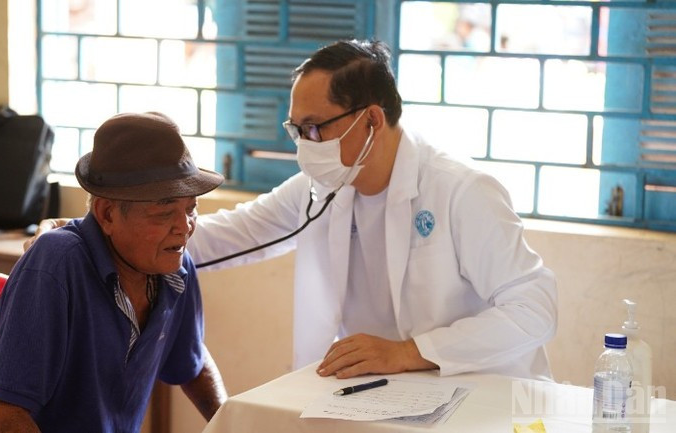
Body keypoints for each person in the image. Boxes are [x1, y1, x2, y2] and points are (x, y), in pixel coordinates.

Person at [29, 39, 558, 382]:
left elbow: (534, 309)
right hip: (391, 397)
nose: (304, 144)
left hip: (481, 393)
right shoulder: (324, 184)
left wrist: (411, 351)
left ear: (371, 120)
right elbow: (229, 235)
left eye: (314, 128)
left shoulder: (462, 190)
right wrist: (89, 234)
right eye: (295, 129)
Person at [0, 112, 227, 432]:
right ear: (107, 214)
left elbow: (191, 364)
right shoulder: (57, 265)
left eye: (191, 208)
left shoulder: (175, 270)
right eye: (164, 213)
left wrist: (232, 423)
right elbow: (2, 416)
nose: (184, 227)